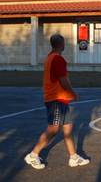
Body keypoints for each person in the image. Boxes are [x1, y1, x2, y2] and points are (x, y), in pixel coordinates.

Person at [24, 34, 90, 169]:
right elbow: (63, 80)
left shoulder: (50, 57)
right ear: (62, 44)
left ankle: (73, 157)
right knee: (53, 129)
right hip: (56, 99)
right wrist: (73, 93)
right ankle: (32, 155)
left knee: (68, 129)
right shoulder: (57, 59)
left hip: (61, 99)